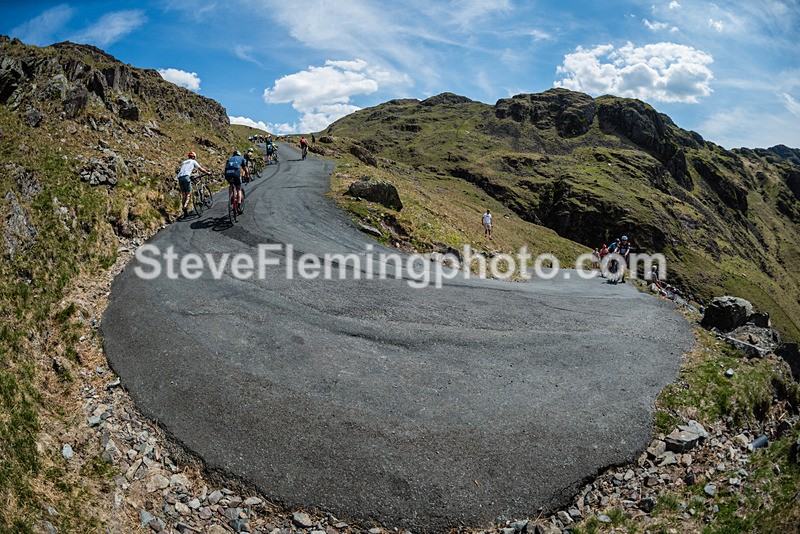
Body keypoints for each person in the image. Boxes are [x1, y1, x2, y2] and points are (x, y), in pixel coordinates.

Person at [176, 152, 210, 218]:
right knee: (188, 194)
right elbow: (201, 169)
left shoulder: (184, 162)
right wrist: (207, 172)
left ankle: (184, 210)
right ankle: (185, 207)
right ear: (194, 157)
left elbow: (184, 170)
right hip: (186, 177)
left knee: (183, 195)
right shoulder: (193, 161)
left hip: (180, 177)